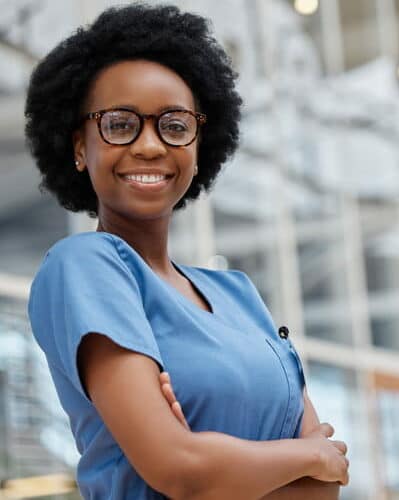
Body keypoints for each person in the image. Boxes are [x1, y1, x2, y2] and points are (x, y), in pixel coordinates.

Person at [24, 4, 349, 499]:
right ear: (78, 146)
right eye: (119, 124)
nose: (151, 146)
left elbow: (322, 490)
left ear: (200, 147)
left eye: (174, 126)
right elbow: (179, 470)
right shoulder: (86, 267)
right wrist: (304, 455)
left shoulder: (238, 294)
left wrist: (218, 461)